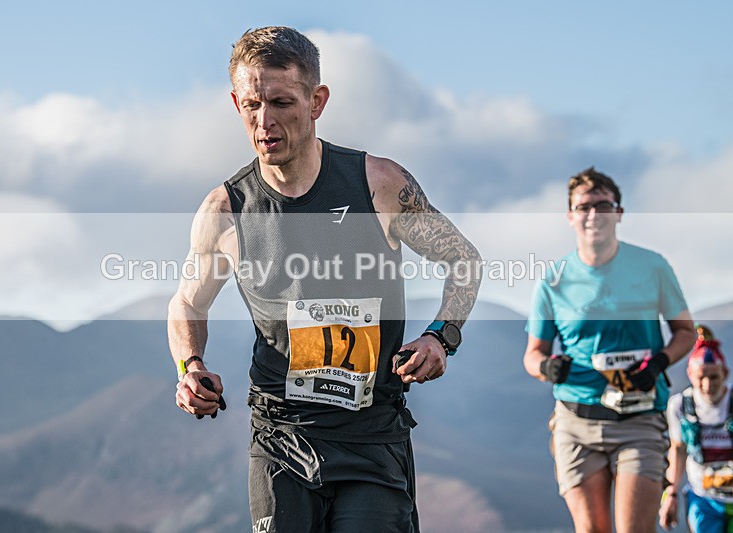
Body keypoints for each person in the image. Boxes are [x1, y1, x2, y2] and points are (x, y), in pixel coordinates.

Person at [167, 26, 481, 532]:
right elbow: (186, 302)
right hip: (280, 436)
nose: (264, 121)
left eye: (282, 102)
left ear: (318, 101)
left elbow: (463, 260)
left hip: (371, 436)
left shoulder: (378, 185)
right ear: (235, 103)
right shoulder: (225, 212)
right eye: (251, 104)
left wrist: (441, 336)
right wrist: (189, 365)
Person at [523, 167, 697, 533]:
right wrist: (550, 368)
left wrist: (659, 362)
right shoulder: (554, 278)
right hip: (576, 421)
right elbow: (533, 355)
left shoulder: (652, 267)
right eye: (583, 206)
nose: (593, 214)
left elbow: (685, 332)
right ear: (570, 216)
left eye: (603, 205)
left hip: (639, 418)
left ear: (619, 213)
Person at [660, 325, 733, 532]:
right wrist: (671, 494)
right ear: (690, 374)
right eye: (701, 377)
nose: (708, 385)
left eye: (714, 377)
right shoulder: (680, 406)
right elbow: (678, 450)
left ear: (725, 373)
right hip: (703, 498)